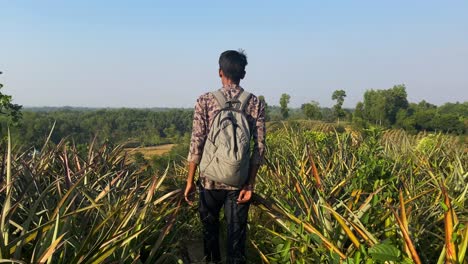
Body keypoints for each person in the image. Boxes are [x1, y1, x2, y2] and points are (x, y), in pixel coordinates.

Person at [184, 50, 266, 263]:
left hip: (209, 180)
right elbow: (259, 147)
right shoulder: (254, 102)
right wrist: (250, 184)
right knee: (236, 241)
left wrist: (190, 181)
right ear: (243, 74)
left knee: (210, 234)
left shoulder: (205, 101)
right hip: (239, 182)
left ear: (220, 72)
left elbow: (197, 143)